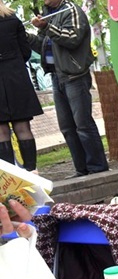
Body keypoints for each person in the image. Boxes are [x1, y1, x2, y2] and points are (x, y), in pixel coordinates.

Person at [28, 0, 108, 178]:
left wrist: (47, 26)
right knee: (67, 127)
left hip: (75, 76)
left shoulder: (71, 10)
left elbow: (73, 38)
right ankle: (82, 170)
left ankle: (98, 169)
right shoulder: (49, 12)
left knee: (83, 125)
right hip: (57, 76)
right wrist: (24, 36)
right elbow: (42, 44)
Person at [0, 0, 43, 172]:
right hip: (16, 78)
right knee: (23, 127)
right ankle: (33, 172)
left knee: (1, 132)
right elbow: (25, 51)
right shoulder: (12, 19)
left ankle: (11, 178)